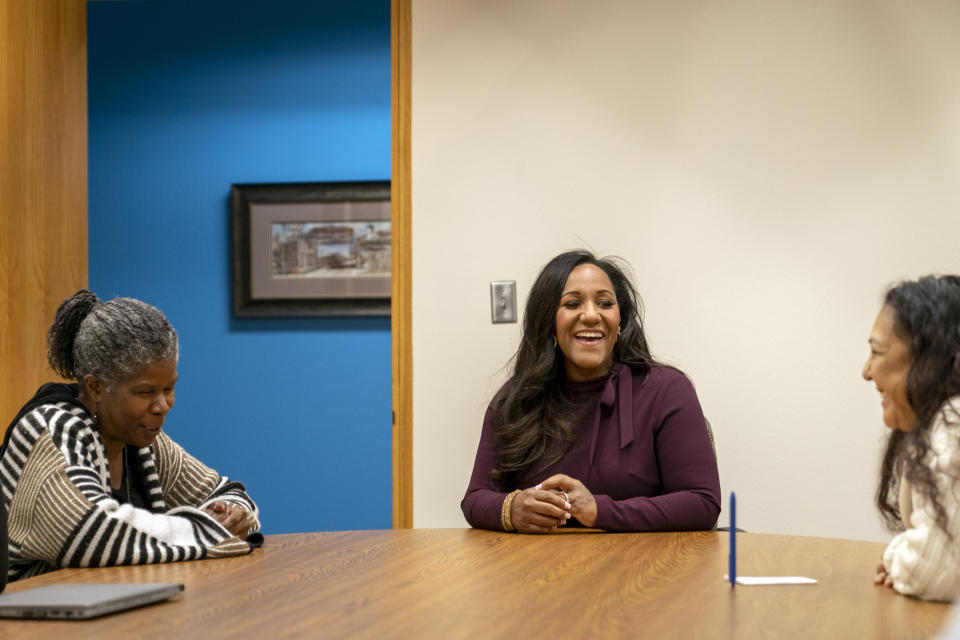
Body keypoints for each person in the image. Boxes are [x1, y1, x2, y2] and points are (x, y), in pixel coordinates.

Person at [0, 291, 262, 582]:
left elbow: (225, 492)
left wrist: (234, 515)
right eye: (145, 392)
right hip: (28, 618)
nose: (162, 406)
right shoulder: (52, 430)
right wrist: (209, 530)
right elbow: (91, 535)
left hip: (106, 609)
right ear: (97, 388)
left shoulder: (138, 438)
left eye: (169, 388)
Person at [461, 250, 721, 533]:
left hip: (645, 570)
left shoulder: (666, 390)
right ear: (549, 320)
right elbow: (475, 499)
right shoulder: (516, 398)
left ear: (620, 320)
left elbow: (702, 503)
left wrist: (599, 510)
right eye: (572, 303)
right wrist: (510, 509)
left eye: (605, 303)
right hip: (540, 570)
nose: (590, 315)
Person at [863, 275, 960, 601]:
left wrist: (896, 559)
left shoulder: (954, 425)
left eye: (877, 351)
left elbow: (934, 570)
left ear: (928, 357)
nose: (866, 370)